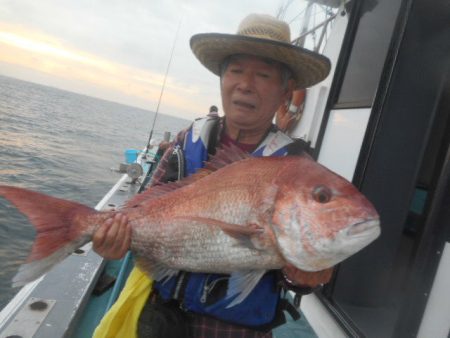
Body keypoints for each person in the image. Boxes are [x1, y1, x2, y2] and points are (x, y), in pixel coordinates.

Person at [93, 13, 332, 338]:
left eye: (262, 75)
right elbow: (139, 212)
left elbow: (295, 272)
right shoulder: (186, 141)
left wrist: (302, 276)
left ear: (285, 90)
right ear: (221, 78)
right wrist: (115, 240)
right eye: (235, 71)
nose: (245, 85)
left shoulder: (295, 167)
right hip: (160, 318)